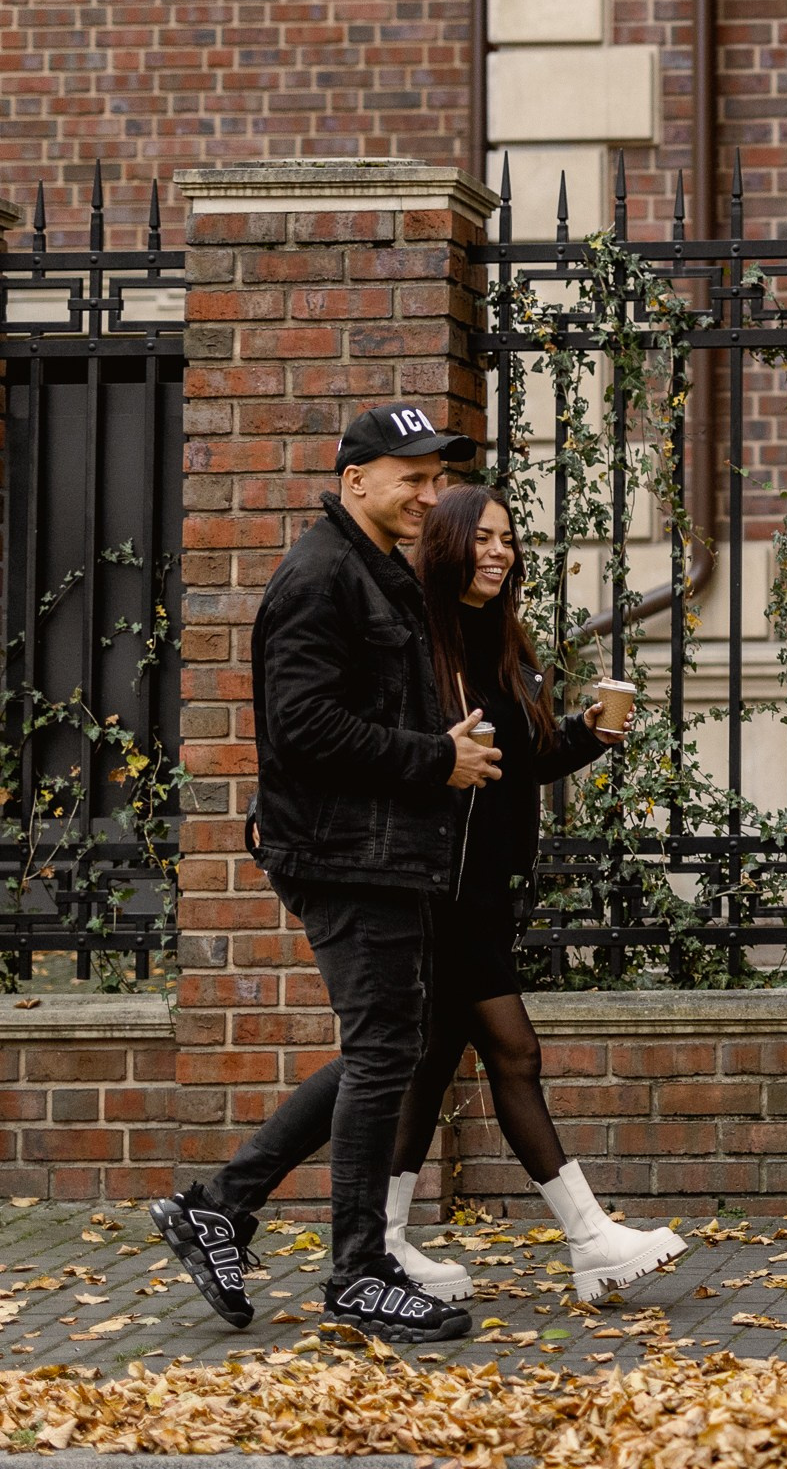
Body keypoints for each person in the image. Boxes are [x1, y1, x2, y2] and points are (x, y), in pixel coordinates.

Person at [152, 403, 498, 1344]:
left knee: (386, 1044)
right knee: (387, 1049)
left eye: (435, 479)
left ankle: (220, 1205)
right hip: (346, 855)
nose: (430, 495)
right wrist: (435, 760)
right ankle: (356, 1273)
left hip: (381, 852)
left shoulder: (378, 569)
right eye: (411, 478)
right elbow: (302, 729)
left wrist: (444, 746)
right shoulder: (319, 576)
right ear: (355, 481)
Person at [380, 484, 687, 1301]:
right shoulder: (420, 637)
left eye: (507, 539)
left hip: (489, 884)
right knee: (515, 1051)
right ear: (446, 545)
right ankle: (589, 1239)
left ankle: (383, 1238)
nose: (498, 551)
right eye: (481, 538)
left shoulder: (506, 640)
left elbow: (525, 760)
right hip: (444, 885)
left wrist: (589, 735)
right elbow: (414, 754)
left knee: (433, 1060)